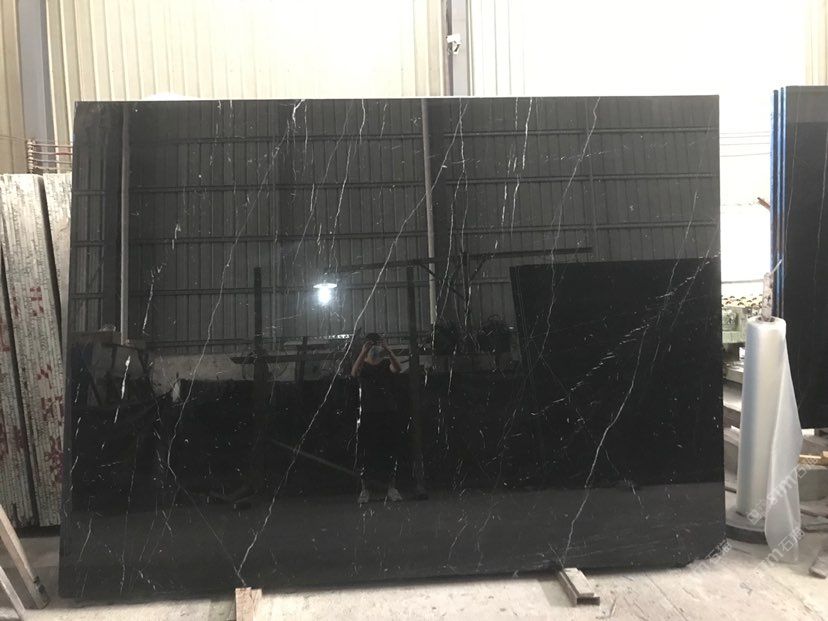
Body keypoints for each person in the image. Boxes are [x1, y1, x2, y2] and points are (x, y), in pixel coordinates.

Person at [351, 332, 403, 504]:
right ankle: (365, 489)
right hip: (369, 412)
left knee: (389, 451)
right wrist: (363, 352)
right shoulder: (364, 366)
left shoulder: (386, 364)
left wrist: (388, 350)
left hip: (387, 411)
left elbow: (398, 368)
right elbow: (354, 372)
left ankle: (391, 488)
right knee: (367, 452)